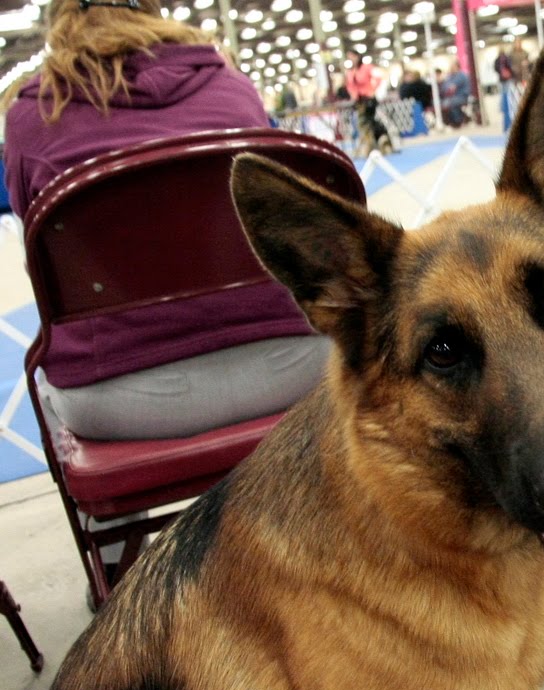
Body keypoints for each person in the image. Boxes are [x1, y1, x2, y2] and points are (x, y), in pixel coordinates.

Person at [3, 0, 329, 442]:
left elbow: (38, 263)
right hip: (294, 364)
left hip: (117, 398)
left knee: (45, 385)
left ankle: (113, 514)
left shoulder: (31, 114)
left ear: (58, 21)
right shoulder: (235, 89)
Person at [344, 49, 392, 154]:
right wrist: (353, 95)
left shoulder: (367, 68)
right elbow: (350, 86)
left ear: (358, 56)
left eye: (352, 56)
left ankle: (376, 143)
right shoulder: (350, 72)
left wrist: (373, 90)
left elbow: (379, 77)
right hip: (358, 101)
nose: (351, 59)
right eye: (349, 57)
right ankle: (379, 141)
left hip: (369, 99)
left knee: (366, 122)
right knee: (367, 123)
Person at [439, 60, 470, 128]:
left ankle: (457, 121)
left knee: (449, 103)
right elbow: (444, 88)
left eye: (452, 66)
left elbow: (452, 87)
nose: (451, 68)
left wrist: (449, 87)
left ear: (457, 66)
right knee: (443, 104)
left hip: (462, 97)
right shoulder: (450, 76)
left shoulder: (462, 76)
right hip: (451, 98)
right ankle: (454, 120)